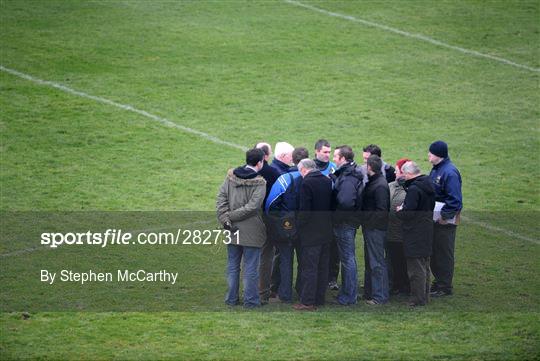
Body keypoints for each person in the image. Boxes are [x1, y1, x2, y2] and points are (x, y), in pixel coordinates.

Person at [216, 148, 267, 308]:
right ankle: (251, 301)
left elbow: (220, 199)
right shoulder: (260, 183)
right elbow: (252, 207)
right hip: (252, 231)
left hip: (232, 229)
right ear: (260, 163)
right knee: (251, 268)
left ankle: (231, 299)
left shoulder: (230, 178)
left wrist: (226, 217)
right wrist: (229, 216)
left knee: (232, 266)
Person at [264, 147, 310, 302]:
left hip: (287, 227)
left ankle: (285, 294)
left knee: (285, 260)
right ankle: (302, 290)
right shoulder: (316, 179)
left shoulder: (284, 179)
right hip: (306, 227)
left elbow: (270, 204)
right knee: (304, 261)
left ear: (293, 159)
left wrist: (278, 221)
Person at [293, 159, 333, 311]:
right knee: (323, 267)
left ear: (303, 169)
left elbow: (305, 211)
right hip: (326, 231)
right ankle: (319, 298)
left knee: (309, 268)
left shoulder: (306, 183)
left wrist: (298, 226)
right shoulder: (326, 181)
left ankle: (307, 301)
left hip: (311, 233)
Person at [396, 161, 436, 307]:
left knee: (415, 268)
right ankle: (425, 296)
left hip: (415, 232)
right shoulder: (428, 184)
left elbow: (409, 213)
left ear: (408, 173)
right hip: (426, 229)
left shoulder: (414, 189)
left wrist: (400, 210)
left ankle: (417, 299)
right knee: (425, 264)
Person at [428, 141, 463, 297]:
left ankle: (444, 286)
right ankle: (439, 281)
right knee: (435, 252)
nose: (428, 155)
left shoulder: (449, 172)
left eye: (431, 152)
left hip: (444, 222)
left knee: (443, 253)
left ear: (438, 155)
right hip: (435, 219)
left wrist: (444, 216)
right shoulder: (437, 169)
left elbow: (455, 200)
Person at [330, 145, 364, 305]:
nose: (333, 159)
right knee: (347, 258)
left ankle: (349, 296)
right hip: (348, 222)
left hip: (345, 223)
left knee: (348, 259)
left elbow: (346, 202)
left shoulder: (349, 177)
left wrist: (335, 218)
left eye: (336, 156)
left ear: (343, 158)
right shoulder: (349, 173)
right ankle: (347, 293)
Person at [361, 154, 390, 305]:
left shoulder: (379, 185)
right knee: (371, 261)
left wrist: (368, 222)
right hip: (372, 228)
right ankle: (370, 292)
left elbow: (381, 210)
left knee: (377, 262)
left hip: (375, 230)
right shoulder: (377, 182)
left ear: (369, 167)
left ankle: (380, 296)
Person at [255, 142, 281, 304]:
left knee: (249, 256)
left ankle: (249, 290)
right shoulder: (272, 172)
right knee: (266, 254)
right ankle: (263, 292)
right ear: (266, 156)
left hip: (248, 220)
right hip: (267, 219)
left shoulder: (241, 172)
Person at [313, 139, 339, 290]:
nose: (327, 155)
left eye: (329, 152)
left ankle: (332, 278)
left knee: (333, 248)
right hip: (315, 216)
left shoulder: (334, 168)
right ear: (316, 151)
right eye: (325, 152)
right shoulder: (309, 166)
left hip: (331, 214)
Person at [386, 158, 411, 296]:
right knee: (392, 259)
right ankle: (394, 284)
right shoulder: (390, 186)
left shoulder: (411, 188)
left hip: (402, 232)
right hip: (390, 231)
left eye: (397, 169)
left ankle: (404, 285)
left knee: (403, 261)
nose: (395, 172)